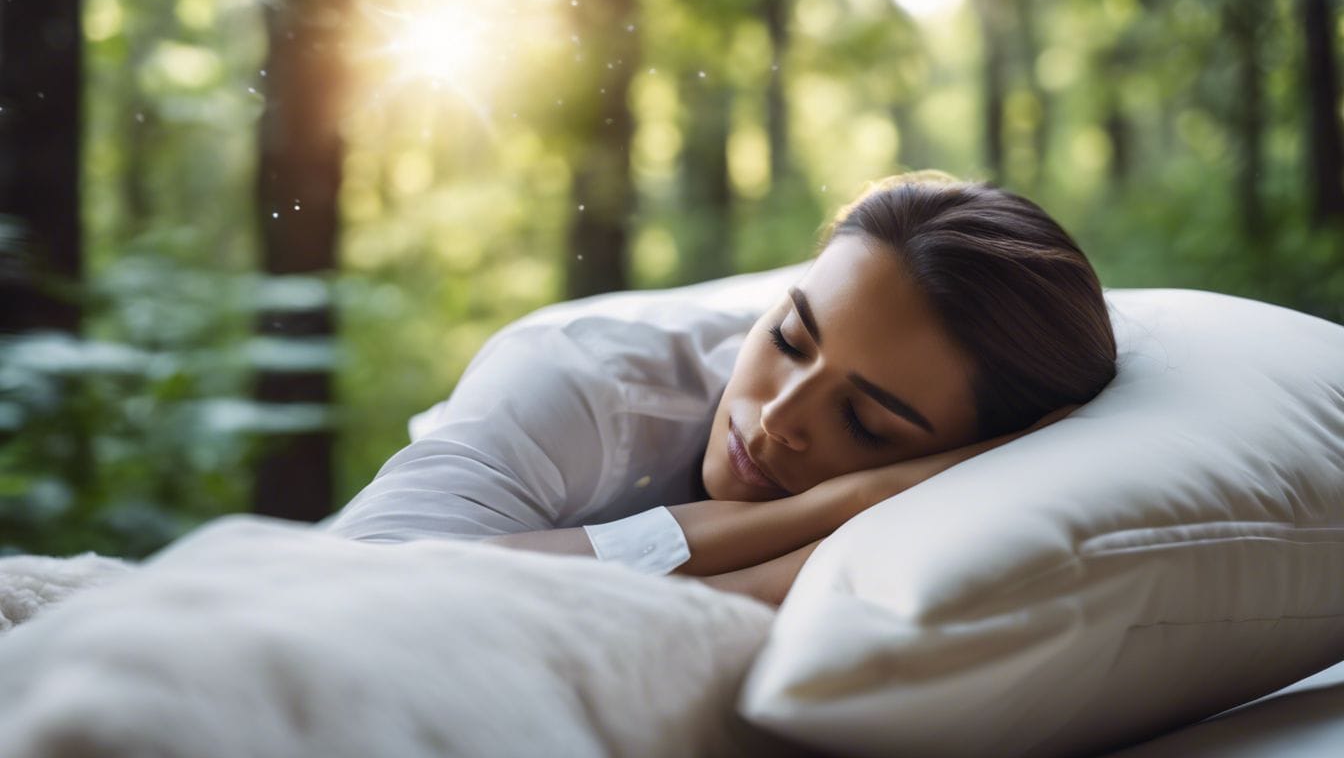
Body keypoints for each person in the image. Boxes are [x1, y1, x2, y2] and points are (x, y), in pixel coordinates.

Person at [326, 170, 1117, 606]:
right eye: (788, 339)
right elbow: (367, 583)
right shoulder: (581, 382)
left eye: (865, 422)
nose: (776, 418)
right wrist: (835, 506)